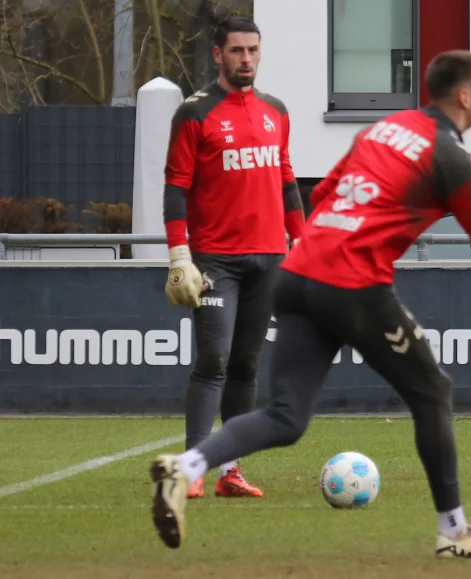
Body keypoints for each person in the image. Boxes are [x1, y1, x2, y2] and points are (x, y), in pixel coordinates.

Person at [148, 50, 471, 557]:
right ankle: (454, 532)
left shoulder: (383, 129)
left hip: (296, 275)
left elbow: (323, 197)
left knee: (286, 417)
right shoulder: (455, 161)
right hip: (353, 284)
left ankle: (184, 469)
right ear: (465, 96)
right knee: (433, 392)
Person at [161, 16, 306, 500]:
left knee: (246, 364)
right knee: (213, 358)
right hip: (214, 260)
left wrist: (301, 242)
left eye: (253, 50)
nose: (247, 59)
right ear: (218, 54)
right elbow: (176, 188)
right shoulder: (194, 112)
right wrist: (180, 254)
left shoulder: (276, 110)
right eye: (237, 51)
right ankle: (194, 467)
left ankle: (231, 471)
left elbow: (286, 178)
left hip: (269, 256)